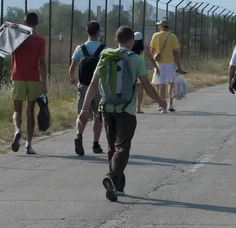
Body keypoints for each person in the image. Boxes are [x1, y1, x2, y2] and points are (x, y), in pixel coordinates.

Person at [78, 26, 167, 201]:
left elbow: (93, 84)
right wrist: (160, 101)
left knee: (112, 148)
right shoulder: (136, 59)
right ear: (131, 41)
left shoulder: (105, 56)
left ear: (116, 41)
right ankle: (111, 177)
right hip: (126, 110)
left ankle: (118, 187)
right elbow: (147, 86)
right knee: (122, 147)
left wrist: (84, 109)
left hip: (107, 109)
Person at [10, 12, 47, 155]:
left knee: (17, 110)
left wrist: (11, 29)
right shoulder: (40, 40)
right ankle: (28, 144)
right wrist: (44, 83)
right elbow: (42, 62)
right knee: (30, 111)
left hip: (17, 76)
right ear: (37, 23)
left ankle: (17, 130)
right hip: (33, 78)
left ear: (24, 22)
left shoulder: (17, 36)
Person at [69, 21, 106, 156]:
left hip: (83, 86)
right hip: (97, 86)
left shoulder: (80, 48)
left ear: (87, 31)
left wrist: (72, 77)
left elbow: (72, 67)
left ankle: (79, 135)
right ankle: (96, 144)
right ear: (98, 32)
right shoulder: (104, 49)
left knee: (82, 112)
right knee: (98, 115)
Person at [150, 19, 184, 113]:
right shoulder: (173, 37)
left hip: (159, 63)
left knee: (161, 84)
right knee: (170, 83)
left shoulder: (155, 36)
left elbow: (151, 51)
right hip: (170, 63)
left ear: (161, 26)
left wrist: (153, 63)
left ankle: (162, 105)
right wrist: (179, 67)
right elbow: (175, 53)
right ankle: (170, 103)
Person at [132, 31, 160, 114]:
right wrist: (156, 67)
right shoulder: (144, 48)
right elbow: (151, 58)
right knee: (140, 90)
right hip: (142, 71)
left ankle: (131, 107)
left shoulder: (130, 48)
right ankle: (138, 108)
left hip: (132, 70)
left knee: (132, 90)